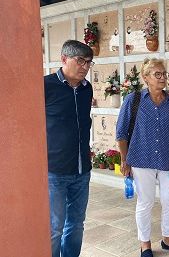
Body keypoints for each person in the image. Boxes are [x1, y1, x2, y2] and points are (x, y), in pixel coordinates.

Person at [116, 58, 169, 257]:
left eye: (164, 74)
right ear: (145, 78)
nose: (162, 77)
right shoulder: (134, 100)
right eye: (157, 74)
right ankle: (145, 244)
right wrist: (124, 160)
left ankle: (167, 239)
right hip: (141, 159)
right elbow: (121, 133)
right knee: (145, 202)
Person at [45, 40, 94, 257]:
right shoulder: (45, 86)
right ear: (64, 59)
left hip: (82, 170)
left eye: (89, 62)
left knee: (76, 224)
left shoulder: (86, 88)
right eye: (80, 60)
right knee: (54, 228)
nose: (85, 66)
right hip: (54, 170)